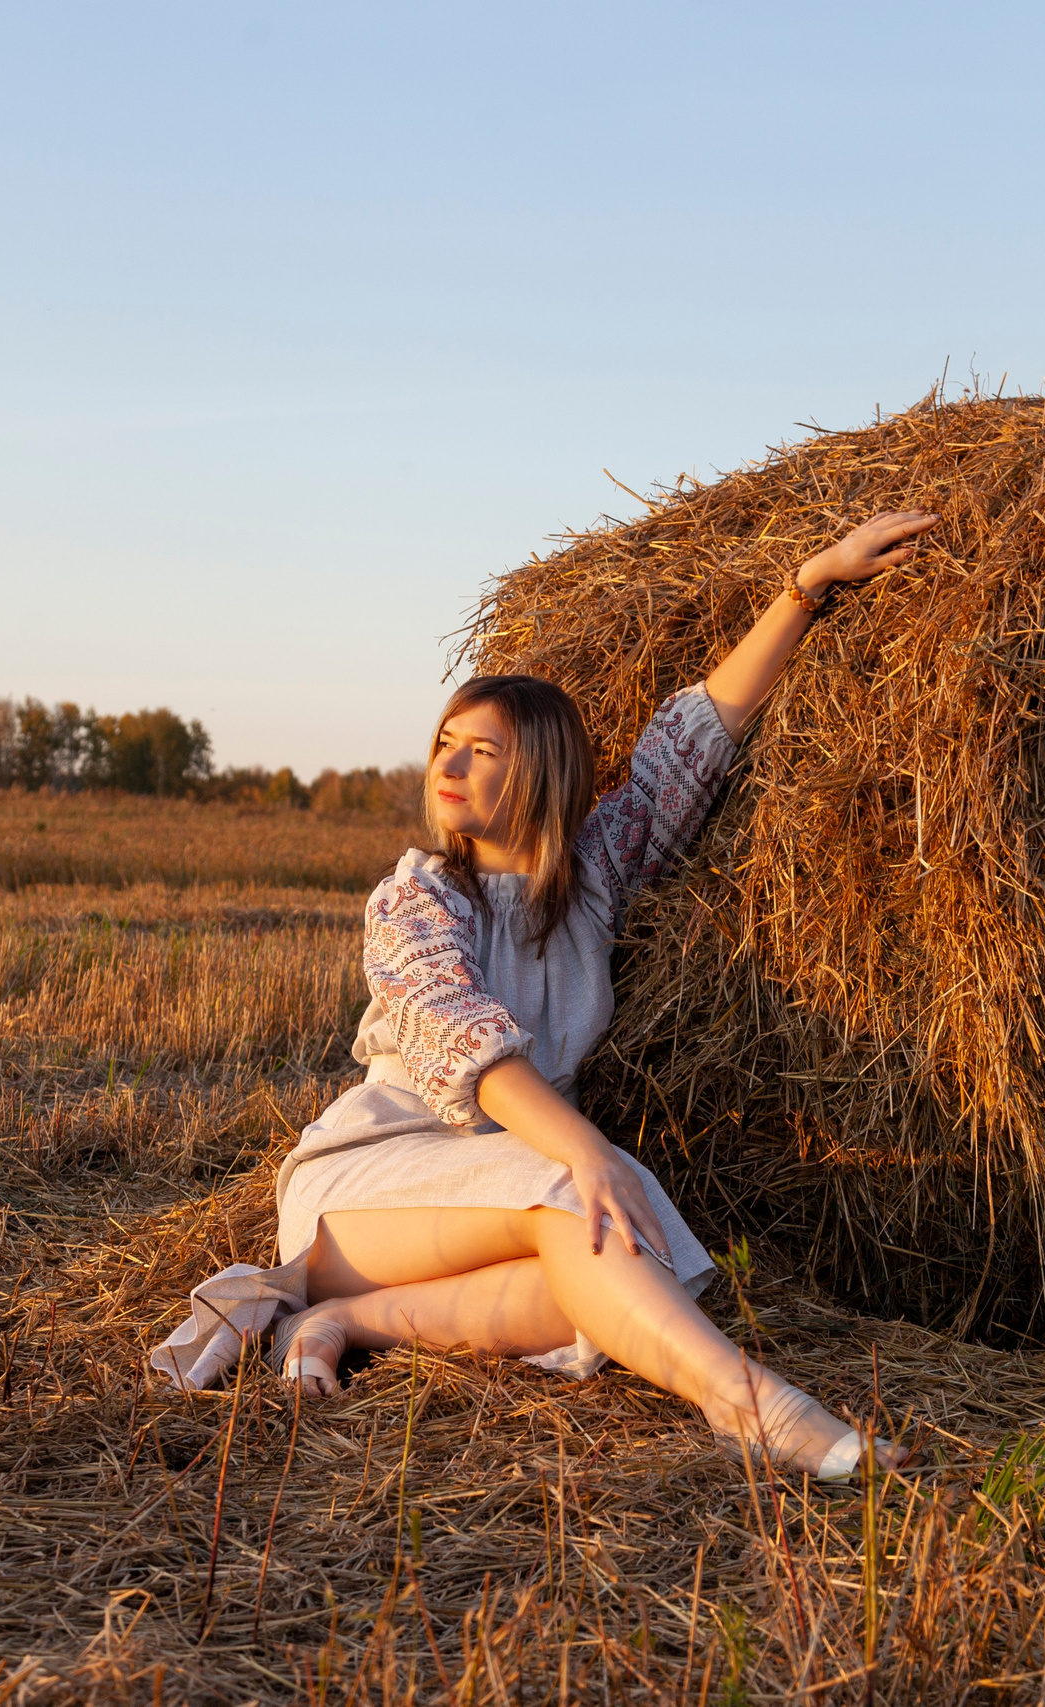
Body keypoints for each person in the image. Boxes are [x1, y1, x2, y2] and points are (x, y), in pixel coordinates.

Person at [150, 509, 938, 1478]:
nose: (448, 764)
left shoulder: (595, 878)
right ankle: (757, 1407)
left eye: (481, 750)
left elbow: (694, 743)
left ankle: (343, 1323)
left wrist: (807, 586)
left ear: (543, 770)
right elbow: (462, 1041)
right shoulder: (415, 898)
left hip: (518, 1179)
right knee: (597, 1199)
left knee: (612, 1277)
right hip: (372, 1185)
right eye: (445, 742)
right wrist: (587, 1150)